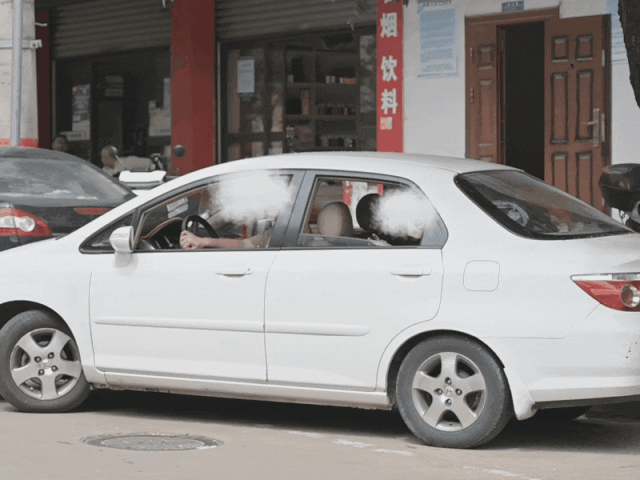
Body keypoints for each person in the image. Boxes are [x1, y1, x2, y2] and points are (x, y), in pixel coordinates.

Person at [179, 228, 272, 249]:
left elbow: (244, 245)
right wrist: (203, 241)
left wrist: (202, 241)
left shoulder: (275, 233)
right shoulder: (273, 233)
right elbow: (244, 244)